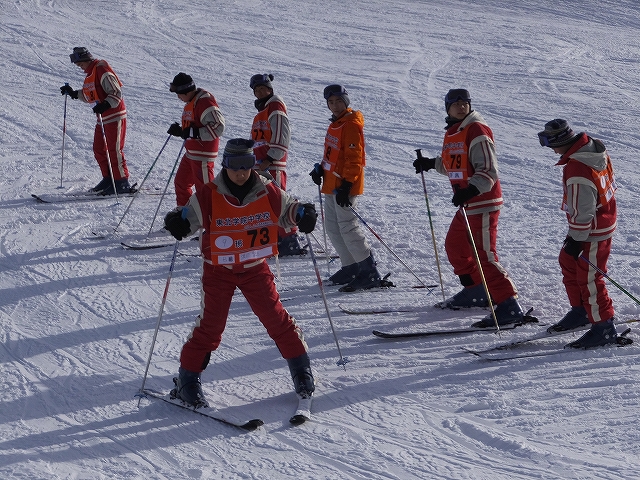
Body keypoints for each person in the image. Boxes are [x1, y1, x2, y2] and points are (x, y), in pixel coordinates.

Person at [163, 138, 318, 407]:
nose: (240, 172)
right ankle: (188, 380)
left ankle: (301, 371)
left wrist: (304, 213)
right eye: (234, 166)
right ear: (225, 165)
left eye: (246, 165)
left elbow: (289, 210)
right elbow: (188, 219)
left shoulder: (266, 189)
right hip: (218, 271)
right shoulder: (209, 193)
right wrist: (176, 222)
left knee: (276, 319)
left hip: (255, 268)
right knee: (211, 327)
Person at [413, 89, 523, 327]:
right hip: (468, 203)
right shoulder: (455, 132)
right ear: (447, 108)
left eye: (465, 103)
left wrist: (471, 189)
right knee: (455, 246)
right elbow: (455, 165)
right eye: (456, 103)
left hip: (482, 201)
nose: (461, 106)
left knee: (484, 255)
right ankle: (477, 289)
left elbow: (488, 169)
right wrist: (430, 164)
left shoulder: (477, 130)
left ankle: (509, 304)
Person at [538, 119, 622, 348]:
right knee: (568, 261)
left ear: (561, 141)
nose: (551, 150)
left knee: (590, 277)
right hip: (596, 223)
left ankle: (604, 327)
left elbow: (583, 211)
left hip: (592, 230)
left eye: (549, 143)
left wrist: (576, 238)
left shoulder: (577, 168)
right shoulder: (592, 148)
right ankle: (582, 310)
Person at [310, 84, 383, 292]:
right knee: (332, 226)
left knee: (348, 227)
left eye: (339, 101)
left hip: (345, 186)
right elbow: (333, 155)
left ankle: (368, 271)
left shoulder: (351, 124)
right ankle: (350, 266)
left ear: (346, 101)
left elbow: (355, 158)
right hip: (332, 183)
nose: (335, 106)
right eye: (331, 102)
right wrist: (320, 169)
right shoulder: (336, 124)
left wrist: (348, 184)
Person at [60, 47, 133, 195]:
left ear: (86, 60)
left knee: (114, 150)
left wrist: (106, 104)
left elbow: (116, 92)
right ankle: (109, 179)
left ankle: (121, 182)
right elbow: (90, 96)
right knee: (99, 149)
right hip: (103, 118)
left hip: (114, 115)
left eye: (80, 64)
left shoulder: (101, 69)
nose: (80, 68)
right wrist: (74, 93)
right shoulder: (90, 74)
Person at [249, 73, 304, 256]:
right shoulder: (262, 111)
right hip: (261, 164)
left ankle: (289, 239)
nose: (260, 92)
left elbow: (282, 135)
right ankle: (277, 237)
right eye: (256, 90)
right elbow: (258, 139)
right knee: (267, 202)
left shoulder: (275, 106)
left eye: (263, 89)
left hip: (271, 164)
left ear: (270, 89)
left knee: (279, 201)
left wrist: (271, 158)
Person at [167, 72, 225, 206]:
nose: (178, 97)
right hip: (192, 151)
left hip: (203, 153)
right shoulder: (192, 101)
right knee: (181, 183)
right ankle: (185, 217)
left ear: (186, 91)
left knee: (204, 190)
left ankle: (211, 222)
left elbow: (218, 127)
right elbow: (194, 126)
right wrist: (181, 130)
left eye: (179, 94)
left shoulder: (205, 101)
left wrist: (191, 132)